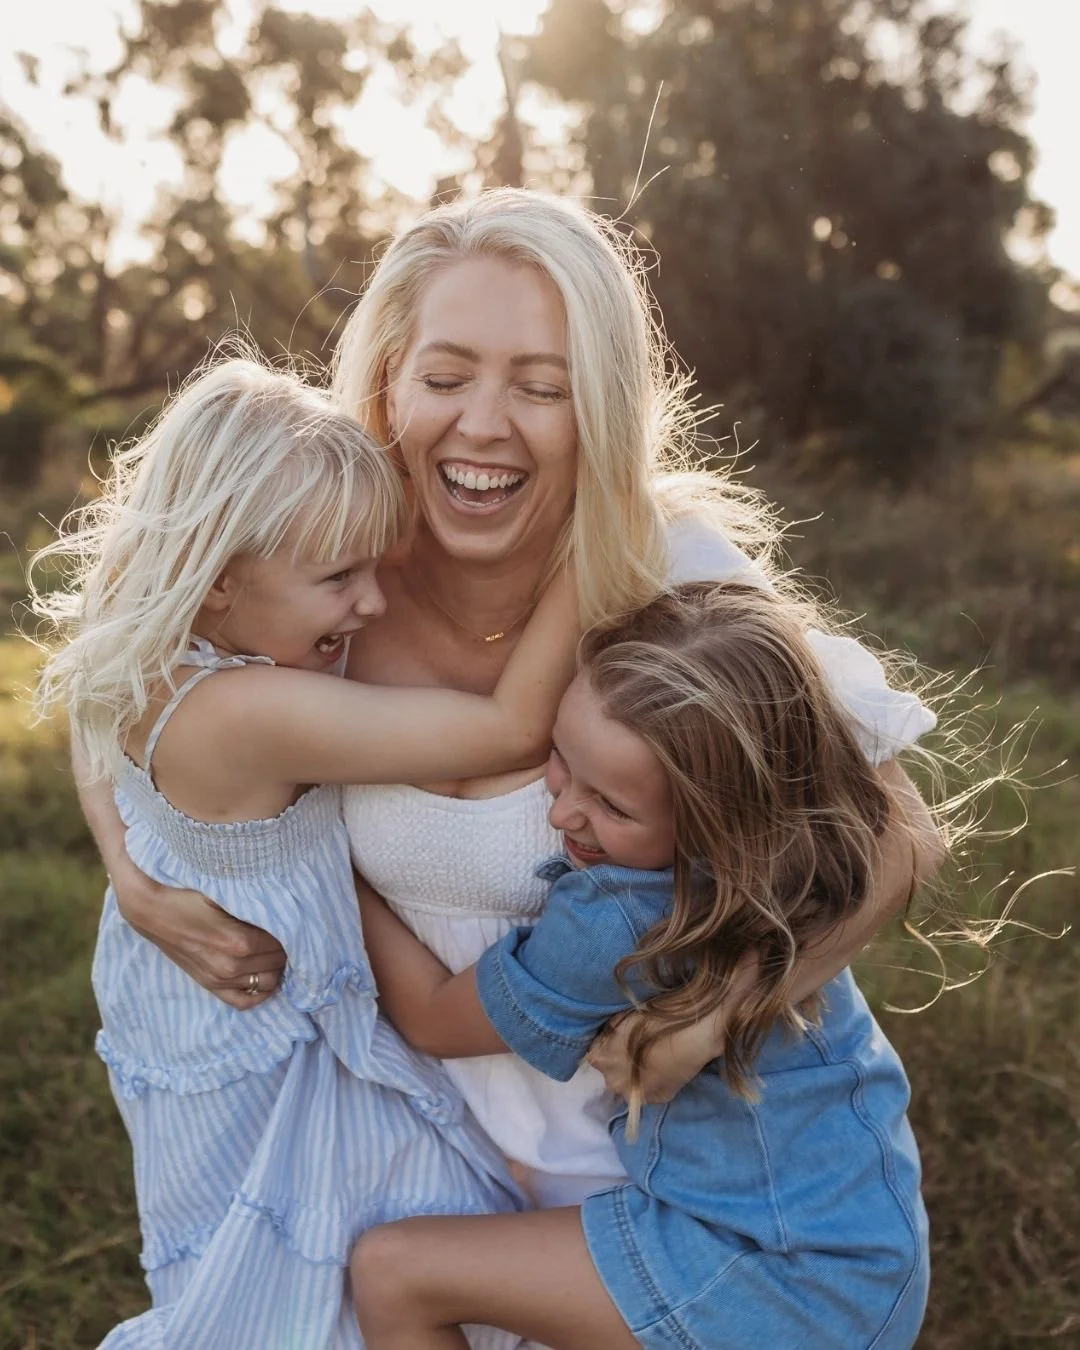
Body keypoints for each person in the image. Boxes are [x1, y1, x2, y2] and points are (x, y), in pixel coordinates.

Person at [75, 190, 942, 1339]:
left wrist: (725, 1008)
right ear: (388, 380)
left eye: (541, 386)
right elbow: (121, 665)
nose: (484, 425)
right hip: (419, 1138)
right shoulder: (323, 578)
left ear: (601, 406)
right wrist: (129, 865)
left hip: (677, 1154)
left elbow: (897, 834)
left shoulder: (661, 572)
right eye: (447, 377)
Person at [33, 357, 583, 1349]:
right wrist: (600, 535)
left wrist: (124, 862)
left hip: (208, 1025)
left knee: (268, 1277)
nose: (372, 603)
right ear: (217, 583)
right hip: (272, 1056)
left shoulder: (156, 651)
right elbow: (508, 728)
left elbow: (90, 701)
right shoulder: (246, 712)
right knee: (310, 1273)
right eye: (339, 579)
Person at [350, 581, 931, 1350]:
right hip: (863, 1238)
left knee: (393, 1273)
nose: (561, 812)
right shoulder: (797, 872)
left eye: (613, 807)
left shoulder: (620, 920)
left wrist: (334, 869)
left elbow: (432, 1020)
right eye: (560, 759)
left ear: (713, 821)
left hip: (782, 1273)